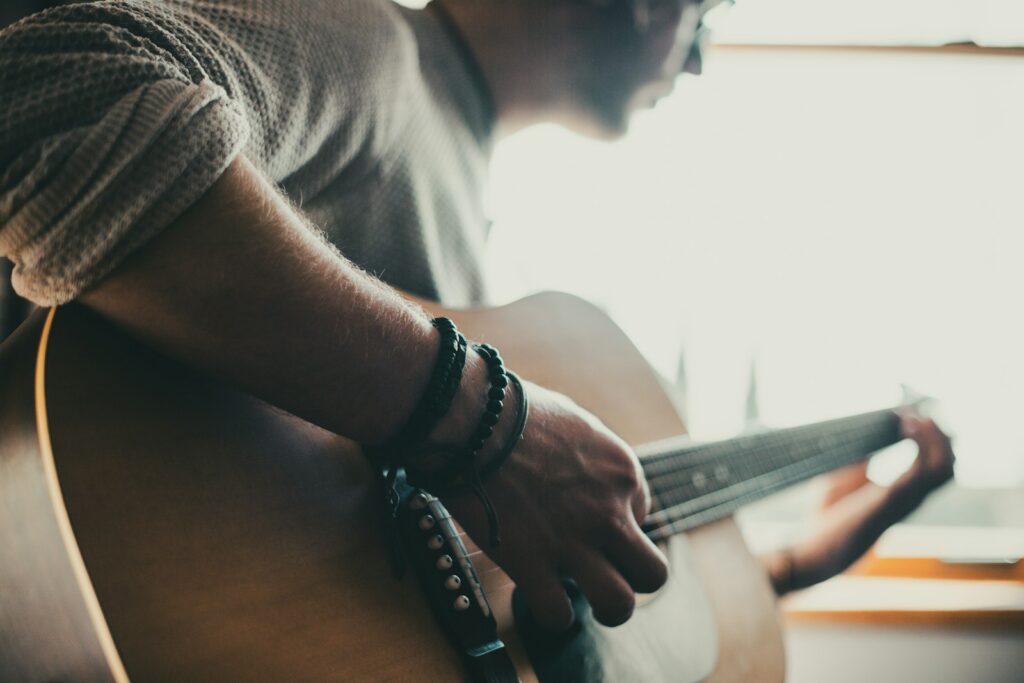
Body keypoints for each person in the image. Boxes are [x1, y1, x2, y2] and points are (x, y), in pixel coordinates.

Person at [0, 0, 953, 634]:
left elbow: (385, 580)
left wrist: (783, 566)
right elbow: (42, 101)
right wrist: (492, 423)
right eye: (702, 17)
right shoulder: (378, 49)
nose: (696, 63)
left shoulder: (462, 190)